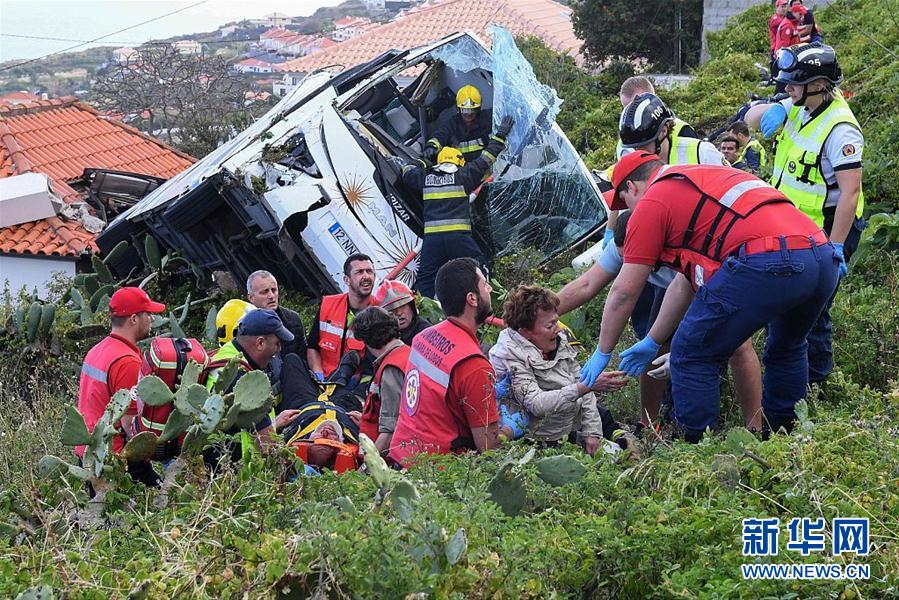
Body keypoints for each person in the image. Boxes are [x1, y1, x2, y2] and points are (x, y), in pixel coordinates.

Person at [579, 151, 839, 441]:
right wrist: (653, 341)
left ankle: (695, 450)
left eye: (625, 202)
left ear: (633, 187)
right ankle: (784, 437)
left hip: (769, 258)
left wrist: (603, 351)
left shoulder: (653, 200)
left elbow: (624, 292)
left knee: (690, 353)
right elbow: (684, 284)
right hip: (821, 253)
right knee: (788, 346)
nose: (629, 212)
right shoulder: (700, 187)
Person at [558, 212, 762, 433]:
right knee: (652, 346)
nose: (628, 264)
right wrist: (538, 313)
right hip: (672, 289)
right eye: (624, 259)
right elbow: (586, 284)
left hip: (708, 282)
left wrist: (685, 348)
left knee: (739, 346)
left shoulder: (684, 249)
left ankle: (756, 427)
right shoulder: (621, 246)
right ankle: (648, 424)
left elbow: (697, 298)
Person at [745, 42, 865, 385]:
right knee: (787, 308)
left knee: (813, 313)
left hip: (827, 230)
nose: (788, 89)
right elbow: (751, 118)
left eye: (795, 84)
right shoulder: (800, 107)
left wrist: (836, 247)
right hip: (793, 228)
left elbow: (850, 192)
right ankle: (795, 378)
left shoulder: (841, 129)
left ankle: (816, 383)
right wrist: (772, 110)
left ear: (818, 85)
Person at [389, 258, 520, 465]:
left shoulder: (422, 337)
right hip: (439, 475)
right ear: (472, 299)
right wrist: (511, 428)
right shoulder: (474, 365)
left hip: (402, 456)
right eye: (485, 285)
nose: (490, 289)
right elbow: (489, 447)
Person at [489, 285, 628, 455]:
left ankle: (621, 439)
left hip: (570, 421)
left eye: (557, 321)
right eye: (550, 325)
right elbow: (536, 404)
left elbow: (580, 381)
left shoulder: (559, 340)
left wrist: (592, 431)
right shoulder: (510, 357)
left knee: (605, 419)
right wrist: (586, 386)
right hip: (541, 439)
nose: (558, 328)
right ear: (525, 332)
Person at [402, 115, 513, 298]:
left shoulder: (426, 178)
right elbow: (487, 158)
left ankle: (429, 310)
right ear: (459, 162)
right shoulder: (464, 176)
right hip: (458, 238)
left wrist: (423, 161)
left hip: (433, 241)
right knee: (479, 265)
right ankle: (486, 300)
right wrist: (500, 135)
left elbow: (406, 171)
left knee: (426, 278)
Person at [76, 287, 166, 486]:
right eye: (148, 314)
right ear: (133, 319)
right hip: (114, 460)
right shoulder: (127, 362)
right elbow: (130, 424)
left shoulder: (97, 349)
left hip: (88, 453)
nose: (152, 319)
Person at [205, 309, 299, 464]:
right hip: (234, 474)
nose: (278, 350)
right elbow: (269, 447)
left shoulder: (229, 355)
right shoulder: (241, 379)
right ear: (260, 343)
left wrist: (274, 423)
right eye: (277, 344)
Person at [351, 306, 410, 453]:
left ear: (367, 340)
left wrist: (368, 469)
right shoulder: (408, 354)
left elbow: (391, 428)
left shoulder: (391, 368)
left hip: (393, 457)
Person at [306, 253, 375, 380]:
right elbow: (312, 348)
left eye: (369, 271)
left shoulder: (380, 313)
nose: (366, 276)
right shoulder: (328, 305)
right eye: (359, 272)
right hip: (323, 380)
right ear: (346, 280)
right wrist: (318, 375)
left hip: (354, 386)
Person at [619, 93, 727, 167]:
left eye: (643, 145)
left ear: (663, 131)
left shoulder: (703, 153)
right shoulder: (632, 164)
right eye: (634, 147)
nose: (637, 152)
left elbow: (733, 190)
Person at [424, 84, 493, 164]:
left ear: (478, 109)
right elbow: (440, 135)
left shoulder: (487, 118)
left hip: (485, 169)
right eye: (465, 111)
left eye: (472, 110)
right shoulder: (452, 124)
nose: (469, 114)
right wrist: (431, 146)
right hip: (461, 171)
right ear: (458, 109)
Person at [246, 270, 307, 359]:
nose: (271, 296)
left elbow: (303, 358)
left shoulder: (293, 319)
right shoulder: (243, 325)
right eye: (265, 292)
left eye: (274, 290)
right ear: (251, 297)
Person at [373, 279, 432, 346]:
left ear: (412, 306)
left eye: (403, 305)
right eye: (392, 309)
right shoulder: (380, 336)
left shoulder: (427, 334)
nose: (399, 313)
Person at [768, 0, 789, 79]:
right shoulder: (775, 18)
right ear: (777, 7)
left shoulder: (783, 18)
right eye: (782, 7)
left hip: (780, 47)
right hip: (775, 47)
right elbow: (785, 23)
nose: (784, 9)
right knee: (776, 69)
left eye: (785, 6)